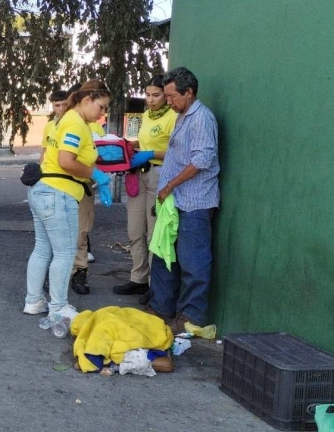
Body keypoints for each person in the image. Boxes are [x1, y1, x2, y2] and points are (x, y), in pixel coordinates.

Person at [23, 81, 111, 337]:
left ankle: (34, 301)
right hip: (59, 194)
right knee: (65, 253)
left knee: (42, 249)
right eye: (101, 106)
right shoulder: (75, 122)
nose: (102, 113)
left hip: (43, 190)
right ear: (87, 100)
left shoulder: (65, 119)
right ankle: (59, 307)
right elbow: (66, 161)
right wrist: (97, 174)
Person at [146, 67, 220, 334]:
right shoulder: (182, 116)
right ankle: (161, 307)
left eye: (172, 96)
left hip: (195, 202)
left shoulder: (201, 119)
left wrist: (169, 186)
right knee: (165, 256)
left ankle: (190, 317)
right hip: (175, 201)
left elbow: (201, 160)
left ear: (189, 93)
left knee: (193, 261)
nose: (168, 101)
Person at [113, 74, 176, 296]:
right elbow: (147, 139)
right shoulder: (147, 115)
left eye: (156, 95)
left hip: (160, 175)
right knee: (135, 230)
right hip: (139, 174)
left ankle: (154, 285)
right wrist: (129, 145)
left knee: (154, 233)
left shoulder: (173, 117)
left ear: (165, 95)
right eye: (147, 95)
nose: (150, 100)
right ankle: (138, 277)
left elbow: (179, 153)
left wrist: (151, 153)